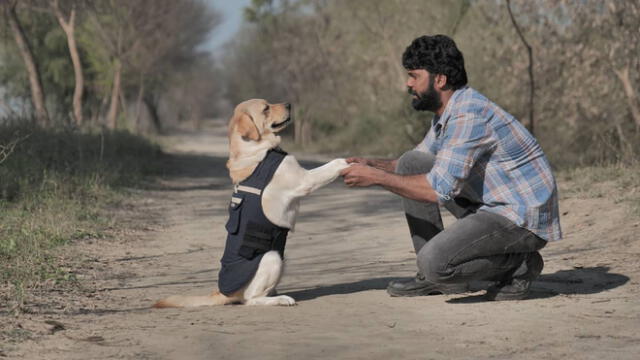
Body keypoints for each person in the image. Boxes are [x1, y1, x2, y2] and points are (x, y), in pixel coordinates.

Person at [340, 34, 562, 301]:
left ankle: (520, 265)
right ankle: (433, 279)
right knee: (412, 162)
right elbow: (411, 164)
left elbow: (436, 189)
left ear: (440, 79)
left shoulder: (467, 115)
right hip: (494, 206)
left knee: (435, 264)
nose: (408, 84)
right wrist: (372, 164)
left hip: (522, 220)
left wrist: (375, 177)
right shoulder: (449, 110)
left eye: (414, 76)